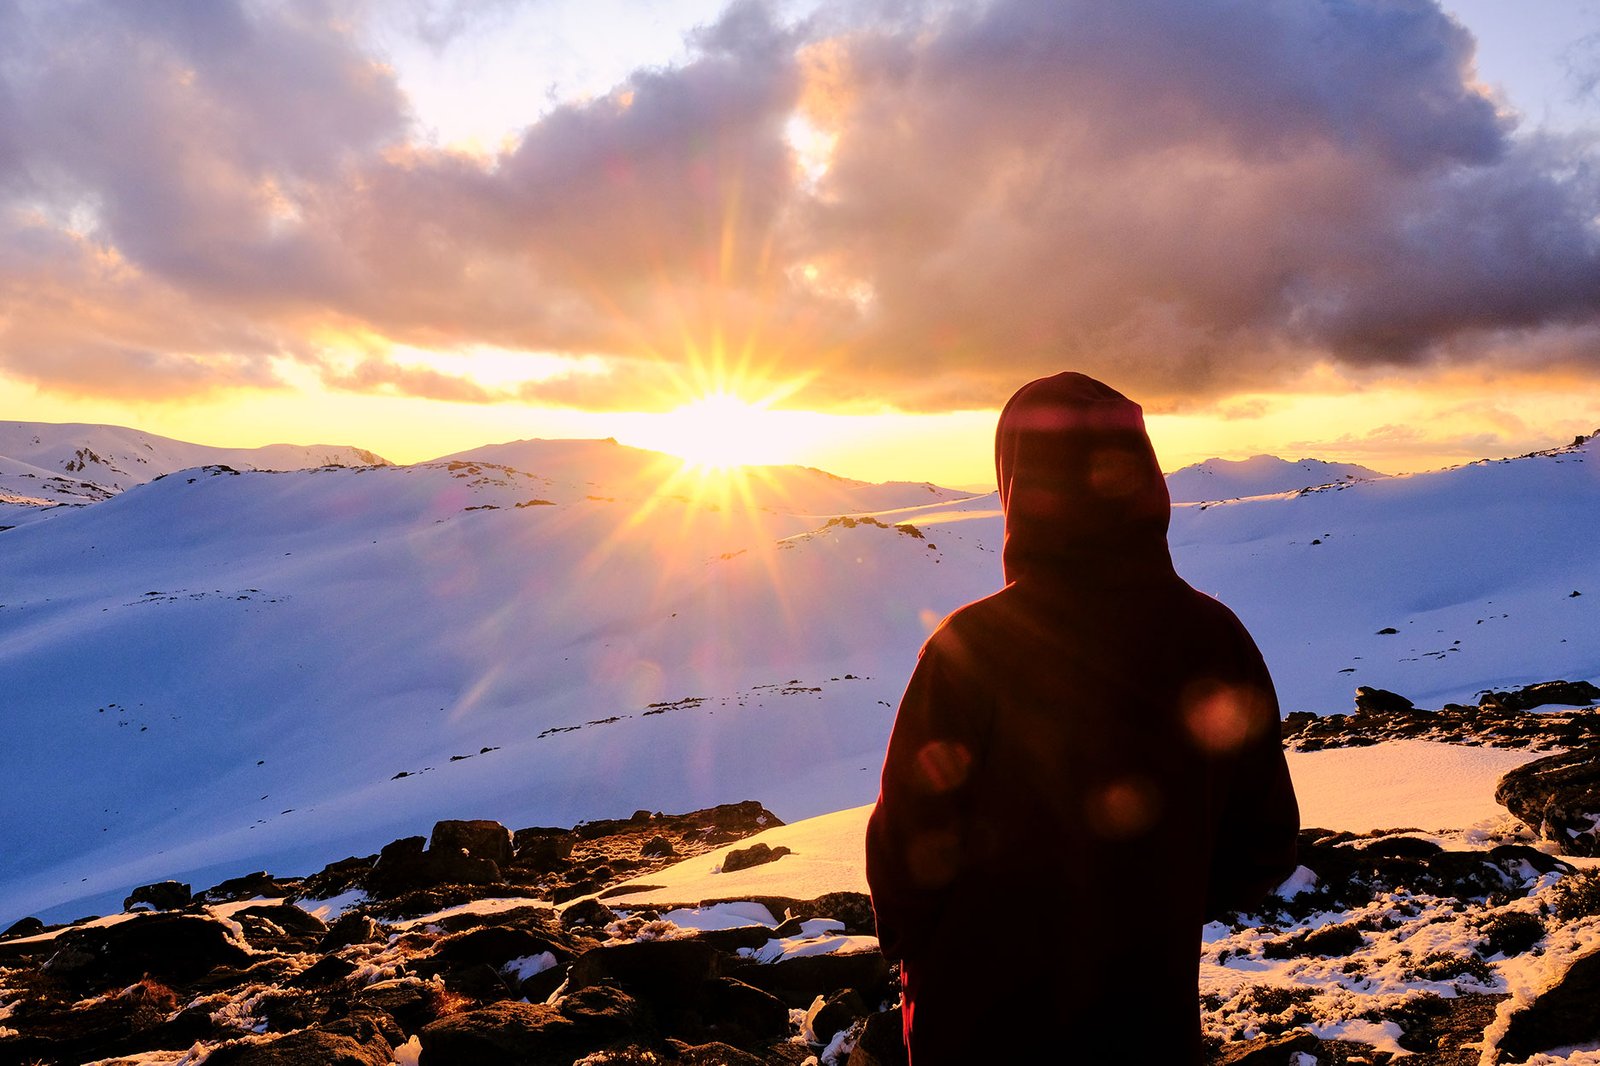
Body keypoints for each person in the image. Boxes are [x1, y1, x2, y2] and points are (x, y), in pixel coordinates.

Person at [865, 372, 1299, 1063]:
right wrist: (1158, 895)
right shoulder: (1216, 639)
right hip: (1145, 1017)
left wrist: (928, 948)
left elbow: (905, 848)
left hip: (979, 1019)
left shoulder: (972, 647)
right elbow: (1265, 844)